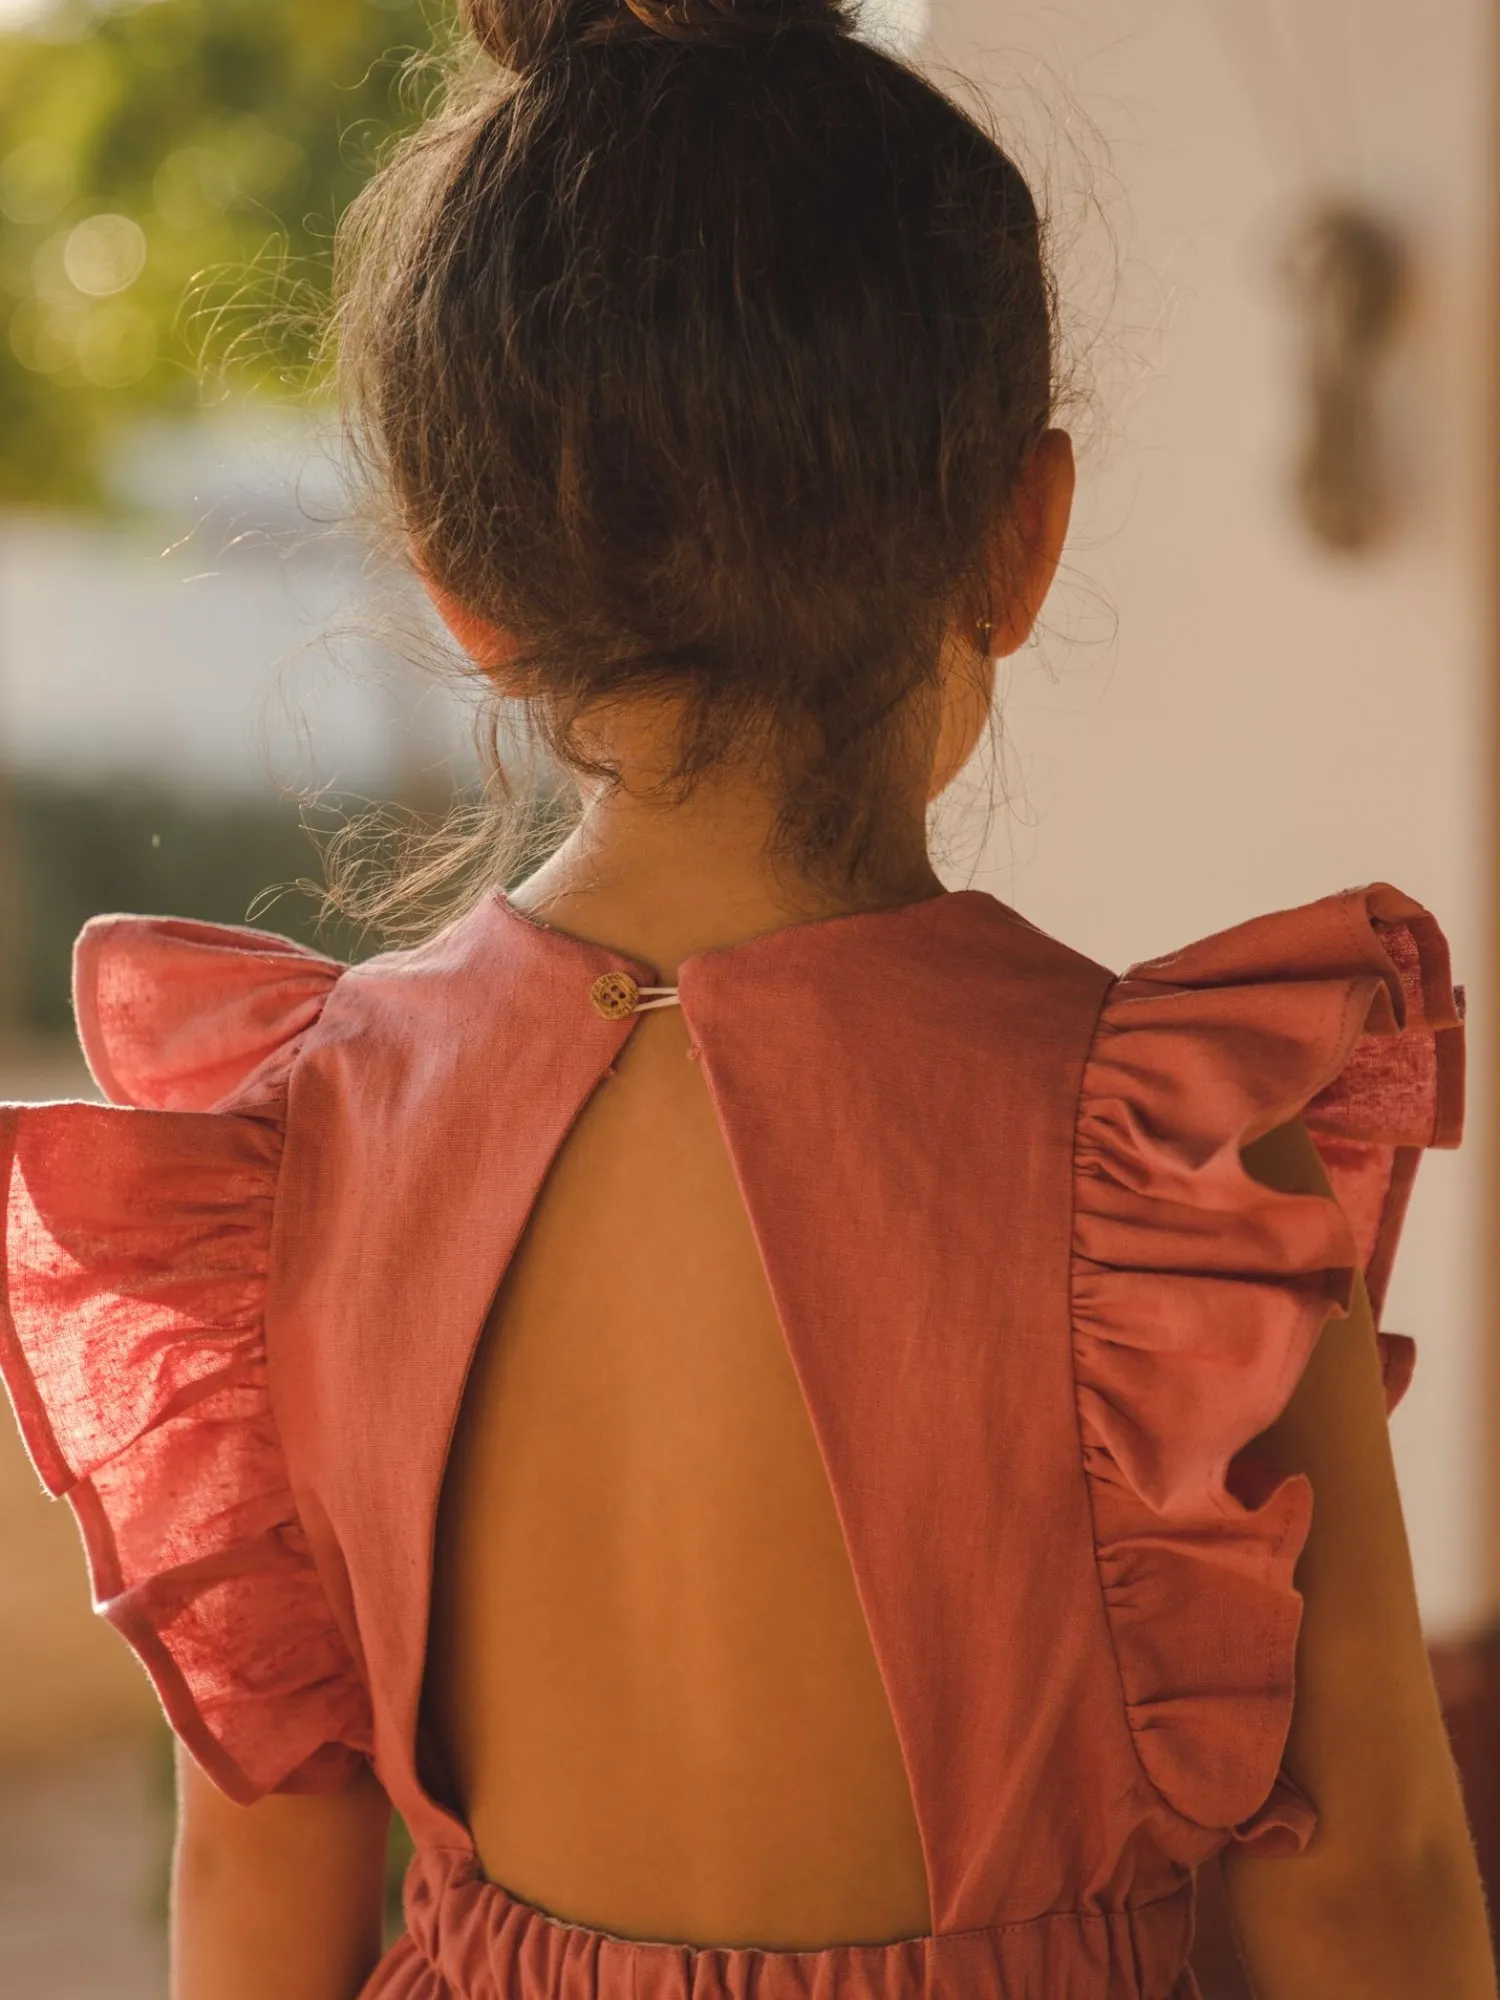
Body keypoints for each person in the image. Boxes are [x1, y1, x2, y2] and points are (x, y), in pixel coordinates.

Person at [1, 1, 1494, 1995]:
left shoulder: (286, 1153)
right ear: (1022, 536)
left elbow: (255, 1900)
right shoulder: (1178, 1170)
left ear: (458, 584)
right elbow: (1368, 1890)